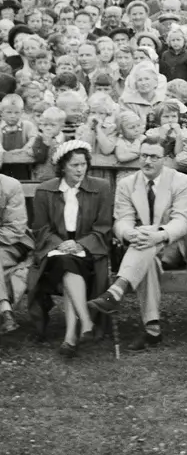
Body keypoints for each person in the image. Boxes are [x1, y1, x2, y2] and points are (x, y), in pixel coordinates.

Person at [86, 138, 187, 349]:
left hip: (175, 244)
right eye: (144, 155)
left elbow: (182, 221)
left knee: (147, 240)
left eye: (154, 157)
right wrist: (128, 233)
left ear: (165, 159)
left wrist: (158, 235)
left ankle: (117, 289)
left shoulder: (181, 182)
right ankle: (152, 329)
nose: (148, 161)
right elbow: (122, 220)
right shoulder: (127, 184)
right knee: (149, 259)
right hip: (143, 248)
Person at [26, 141, 113, 356]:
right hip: (56, 247)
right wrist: (59, 244)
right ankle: (85, 324)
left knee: (69, 265)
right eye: (74, 165)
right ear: (62, 166)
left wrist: (80, 244)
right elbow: (40, 228)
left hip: (89, 248)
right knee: (64, 261)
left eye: (83, 164)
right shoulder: (45, 191)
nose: (80, 169)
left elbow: (104, 226)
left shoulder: (100, 188)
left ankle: (71, 337)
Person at [0, 166, 32, 334]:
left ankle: (5, 311)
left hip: (12, 243)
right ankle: (5, 311)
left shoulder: (11, 186)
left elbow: (15, 229)